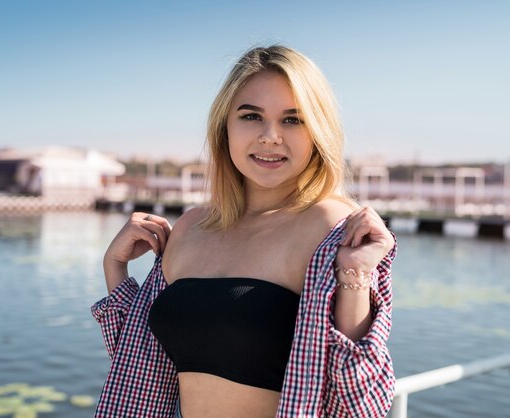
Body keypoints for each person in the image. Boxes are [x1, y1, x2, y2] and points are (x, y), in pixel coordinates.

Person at [92, 45, 397, 418]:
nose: (270, 136)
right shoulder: (191, 227)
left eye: (293, 120)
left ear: (318, 131)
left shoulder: (331, 228)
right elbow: (141, 367)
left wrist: (355, 274)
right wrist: (115, 270)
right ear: (225, 126)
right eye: (251, 116)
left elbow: (361, 403)